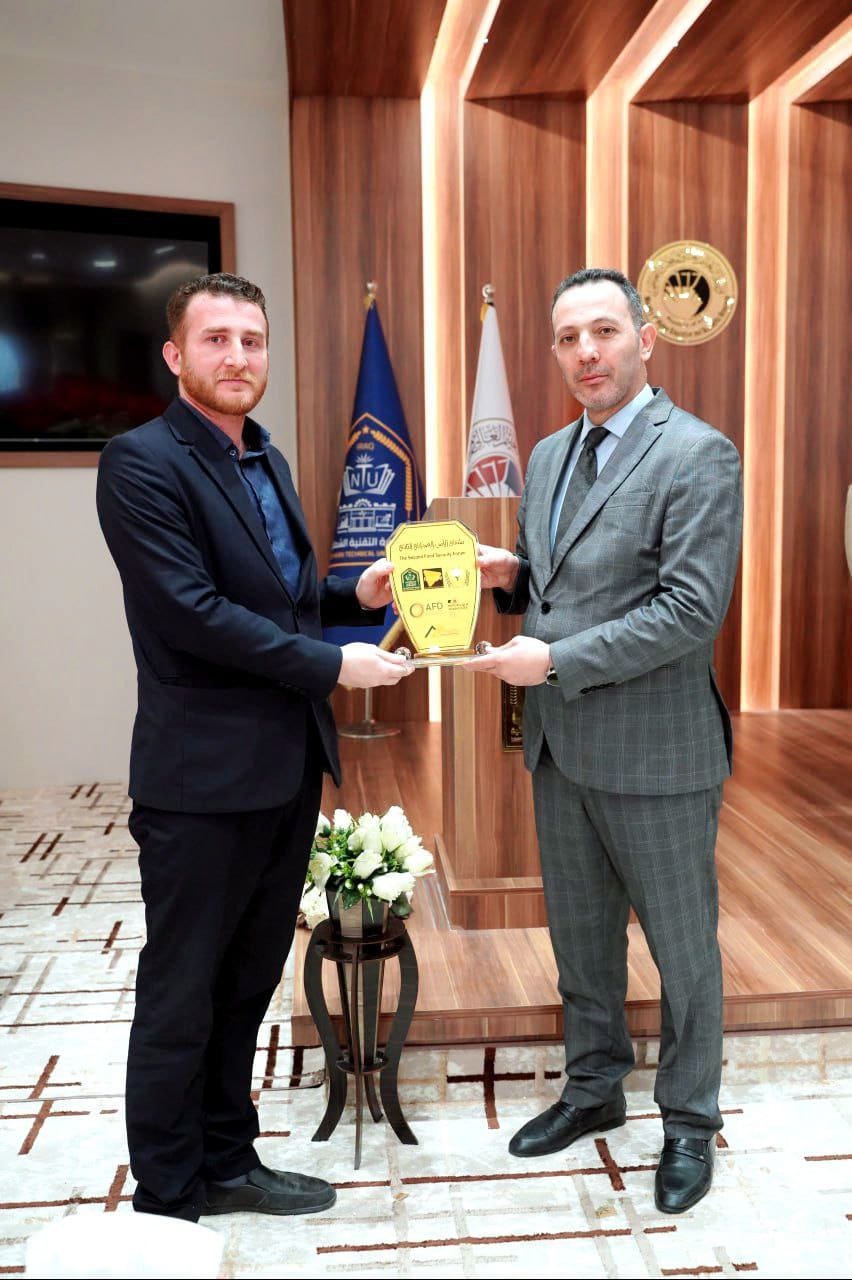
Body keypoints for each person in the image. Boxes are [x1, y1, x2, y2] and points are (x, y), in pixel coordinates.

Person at [96, 273, 410, 1222]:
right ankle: (167, 1191)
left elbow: (277, 598)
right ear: (175, 354)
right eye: (217, 338)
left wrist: (351, 596)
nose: (238, 357)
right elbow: (193, 614)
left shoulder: (264, 456)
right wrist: (333, 666)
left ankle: (228, 1161)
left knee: (245, 984)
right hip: (200, 782)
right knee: (181, 991)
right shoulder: (140, 462)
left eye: (253, 340)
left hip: (284, 769)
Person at [467, 267, 742, 1214]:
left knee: (682, 951)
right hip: (562, 747)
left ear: (645, 339)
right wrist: (510, 574)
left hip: (657, 751)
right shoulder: (548, 455)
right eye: (568, 338)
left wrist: (551, 660)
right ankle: (593, 1089)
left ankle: (690, 1120)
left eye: (604, 331)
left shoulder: (698, 455)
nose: (586, 352)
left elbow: (689, 611)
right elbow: (561, 582)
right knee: (581, 941)